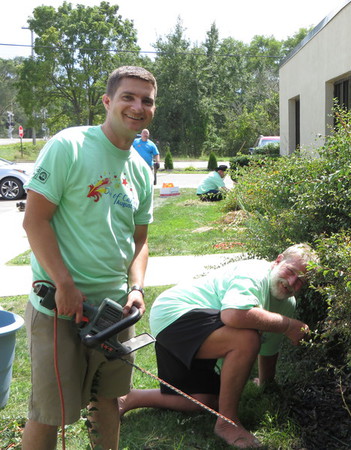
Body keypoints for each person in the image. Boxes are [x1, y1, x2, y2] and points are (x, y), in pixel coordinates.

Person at [21, 65, 157, 450]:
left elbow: (140, 241)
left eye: (146, 100)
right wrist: (64, 283)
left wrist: (136, 287)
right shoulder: (70, 146)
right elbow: (35, 222)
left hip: (114, 312)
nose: (137, 106)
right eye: (128, 96)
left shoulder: (141, 170)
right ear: (108, 101)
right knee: (50, 415)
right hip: (59, 309)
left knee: (108, 401)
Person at [119, 243, 319, 448]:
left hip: (202, 326)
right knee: (247, 340)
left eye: (300, 281)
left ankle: (129, 399)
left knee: (206, 400)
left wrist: (267, 384)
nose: (291, 282)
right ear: (278, 260)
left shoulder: (287, 304)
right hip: (175, 315)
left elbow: (269, 348)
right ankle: (227, 423)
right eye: (290, 271)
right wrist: (287, 325)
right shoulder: (254, 273)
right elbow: (233, 314)